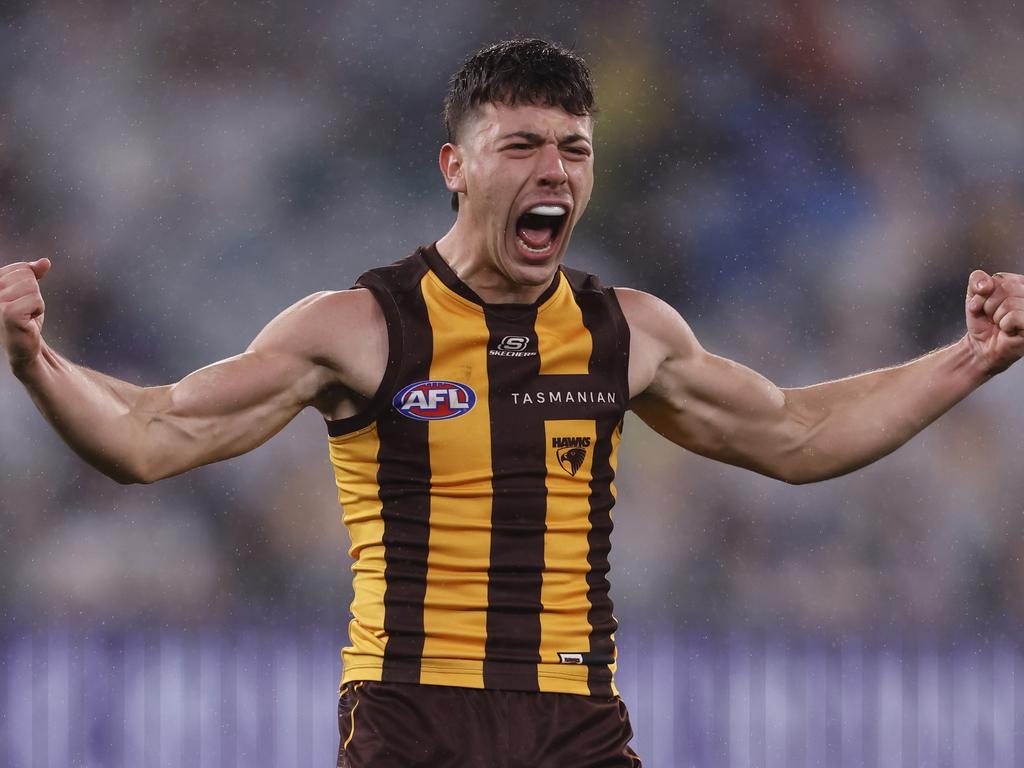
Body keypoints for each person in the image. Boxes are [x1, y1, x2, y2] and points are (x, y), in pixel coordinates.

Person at [1, 37, 1022, 768]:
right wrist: (34, 357)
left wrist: (964, 361)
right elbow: (148, 435)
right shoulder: (359, 327)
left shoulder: (628, 331)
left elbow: (795, 435)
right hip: (415, 723)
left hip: (575, 722)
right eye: (522, 145)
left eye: (574, 149)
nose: (554, 172)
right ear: (456, 167)